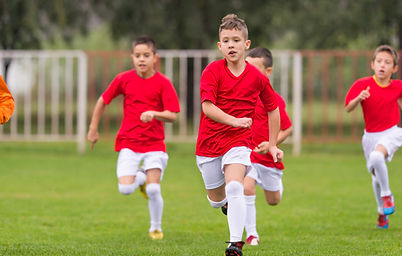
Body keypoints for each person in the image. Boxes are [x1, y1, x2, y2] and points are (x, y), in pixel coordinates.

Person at [195, 14, 283, 256]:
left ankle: (235, 244)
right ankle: (223, 204)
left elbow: (273, 109)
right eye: (226, 40)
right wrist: (234, 120)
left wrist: (273, 144)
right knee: (216, 199)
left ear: (246, 44)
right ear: (219, 46)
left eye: (236, 40)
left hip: (239, 143)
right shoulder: (212, 71)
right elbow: (207, 107)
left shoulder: (258, 78)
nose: (231, 45)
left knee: (236, 187)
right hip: (209, 145)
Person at [87, 35, 180, 239]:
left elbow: (173, 116)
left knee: (154, 189)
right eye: (137, 55)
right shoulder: (123, 79)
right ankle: (141, 179)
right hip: (129, 143)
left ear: (155, 57)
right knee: (125, 189)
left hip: (155, 145)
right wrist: (93, 128)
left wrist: (154, 113)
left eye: (146, 55)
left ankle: (156, 228)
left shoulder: (163, 83)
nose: (141, 59)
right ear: (132, 57)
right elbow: (103, 100)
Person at [345, 45, 402, 229]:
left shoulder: (398, 87)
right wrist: (358, 98)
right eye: (379, 61)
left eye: (387, 62)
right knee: (376, 176)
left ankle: (387, 196)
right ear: (372, 64)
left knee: (378, 157)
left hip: (392, 132)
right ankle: (381, 211)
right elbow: (347, 107)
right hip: (370, 137)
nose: (382, 65)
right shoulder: (363, 84)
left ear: (395, 68)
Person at [243, 47, 293, 245]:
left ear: (268, 72)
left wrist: (272, 144)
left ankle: (276, 185)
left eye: (255, 68)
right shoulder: (241, 95)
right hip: (247, 156)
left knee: (273, 201)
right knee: (246, 188)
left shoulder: (274, 99)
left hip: (268, 159)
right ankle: (252, 234)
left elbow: (287, 129)